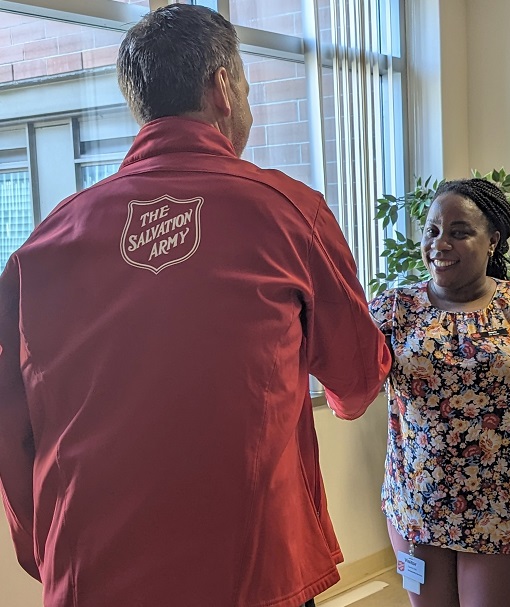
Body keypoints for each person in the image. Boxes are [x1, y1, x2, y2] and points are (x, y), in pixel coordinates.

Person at [0, 5, 391, 607]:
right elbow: (357, 379)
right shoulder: (288, 212)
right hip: (252, 573)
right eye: (249, 87)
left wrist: (46, 551)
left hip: (92, 574)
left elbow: (10, 422)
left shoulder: (44, 242)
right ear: (222, 88)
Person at [369, 178, 510, 607]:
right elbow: (350, 378)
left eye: (458, 231)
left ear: (493, 241)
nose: (439, 243)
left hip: (507, 509)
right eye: (431, 230)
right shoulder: (394, 309)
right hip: (417, 507)